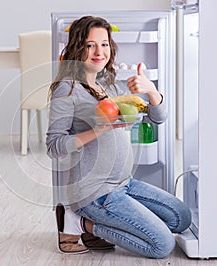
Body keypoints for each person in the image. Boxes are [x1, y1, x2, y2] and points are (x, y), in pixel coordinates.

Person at [46, 16, 191, 258]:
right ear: (76, 47)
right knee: (162, 245)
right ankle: (79, 224)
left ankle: (103, 223)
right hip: (94, 192)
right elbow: (54, 146)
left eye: (104, 44)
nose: (98, 51)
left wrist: (151, 91)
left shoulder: (109, 86)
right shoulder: (68, 89)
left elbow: (158, 118)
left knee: (181, 217)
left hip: (125, 183)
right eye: (89, 44)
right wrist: (97, 131)